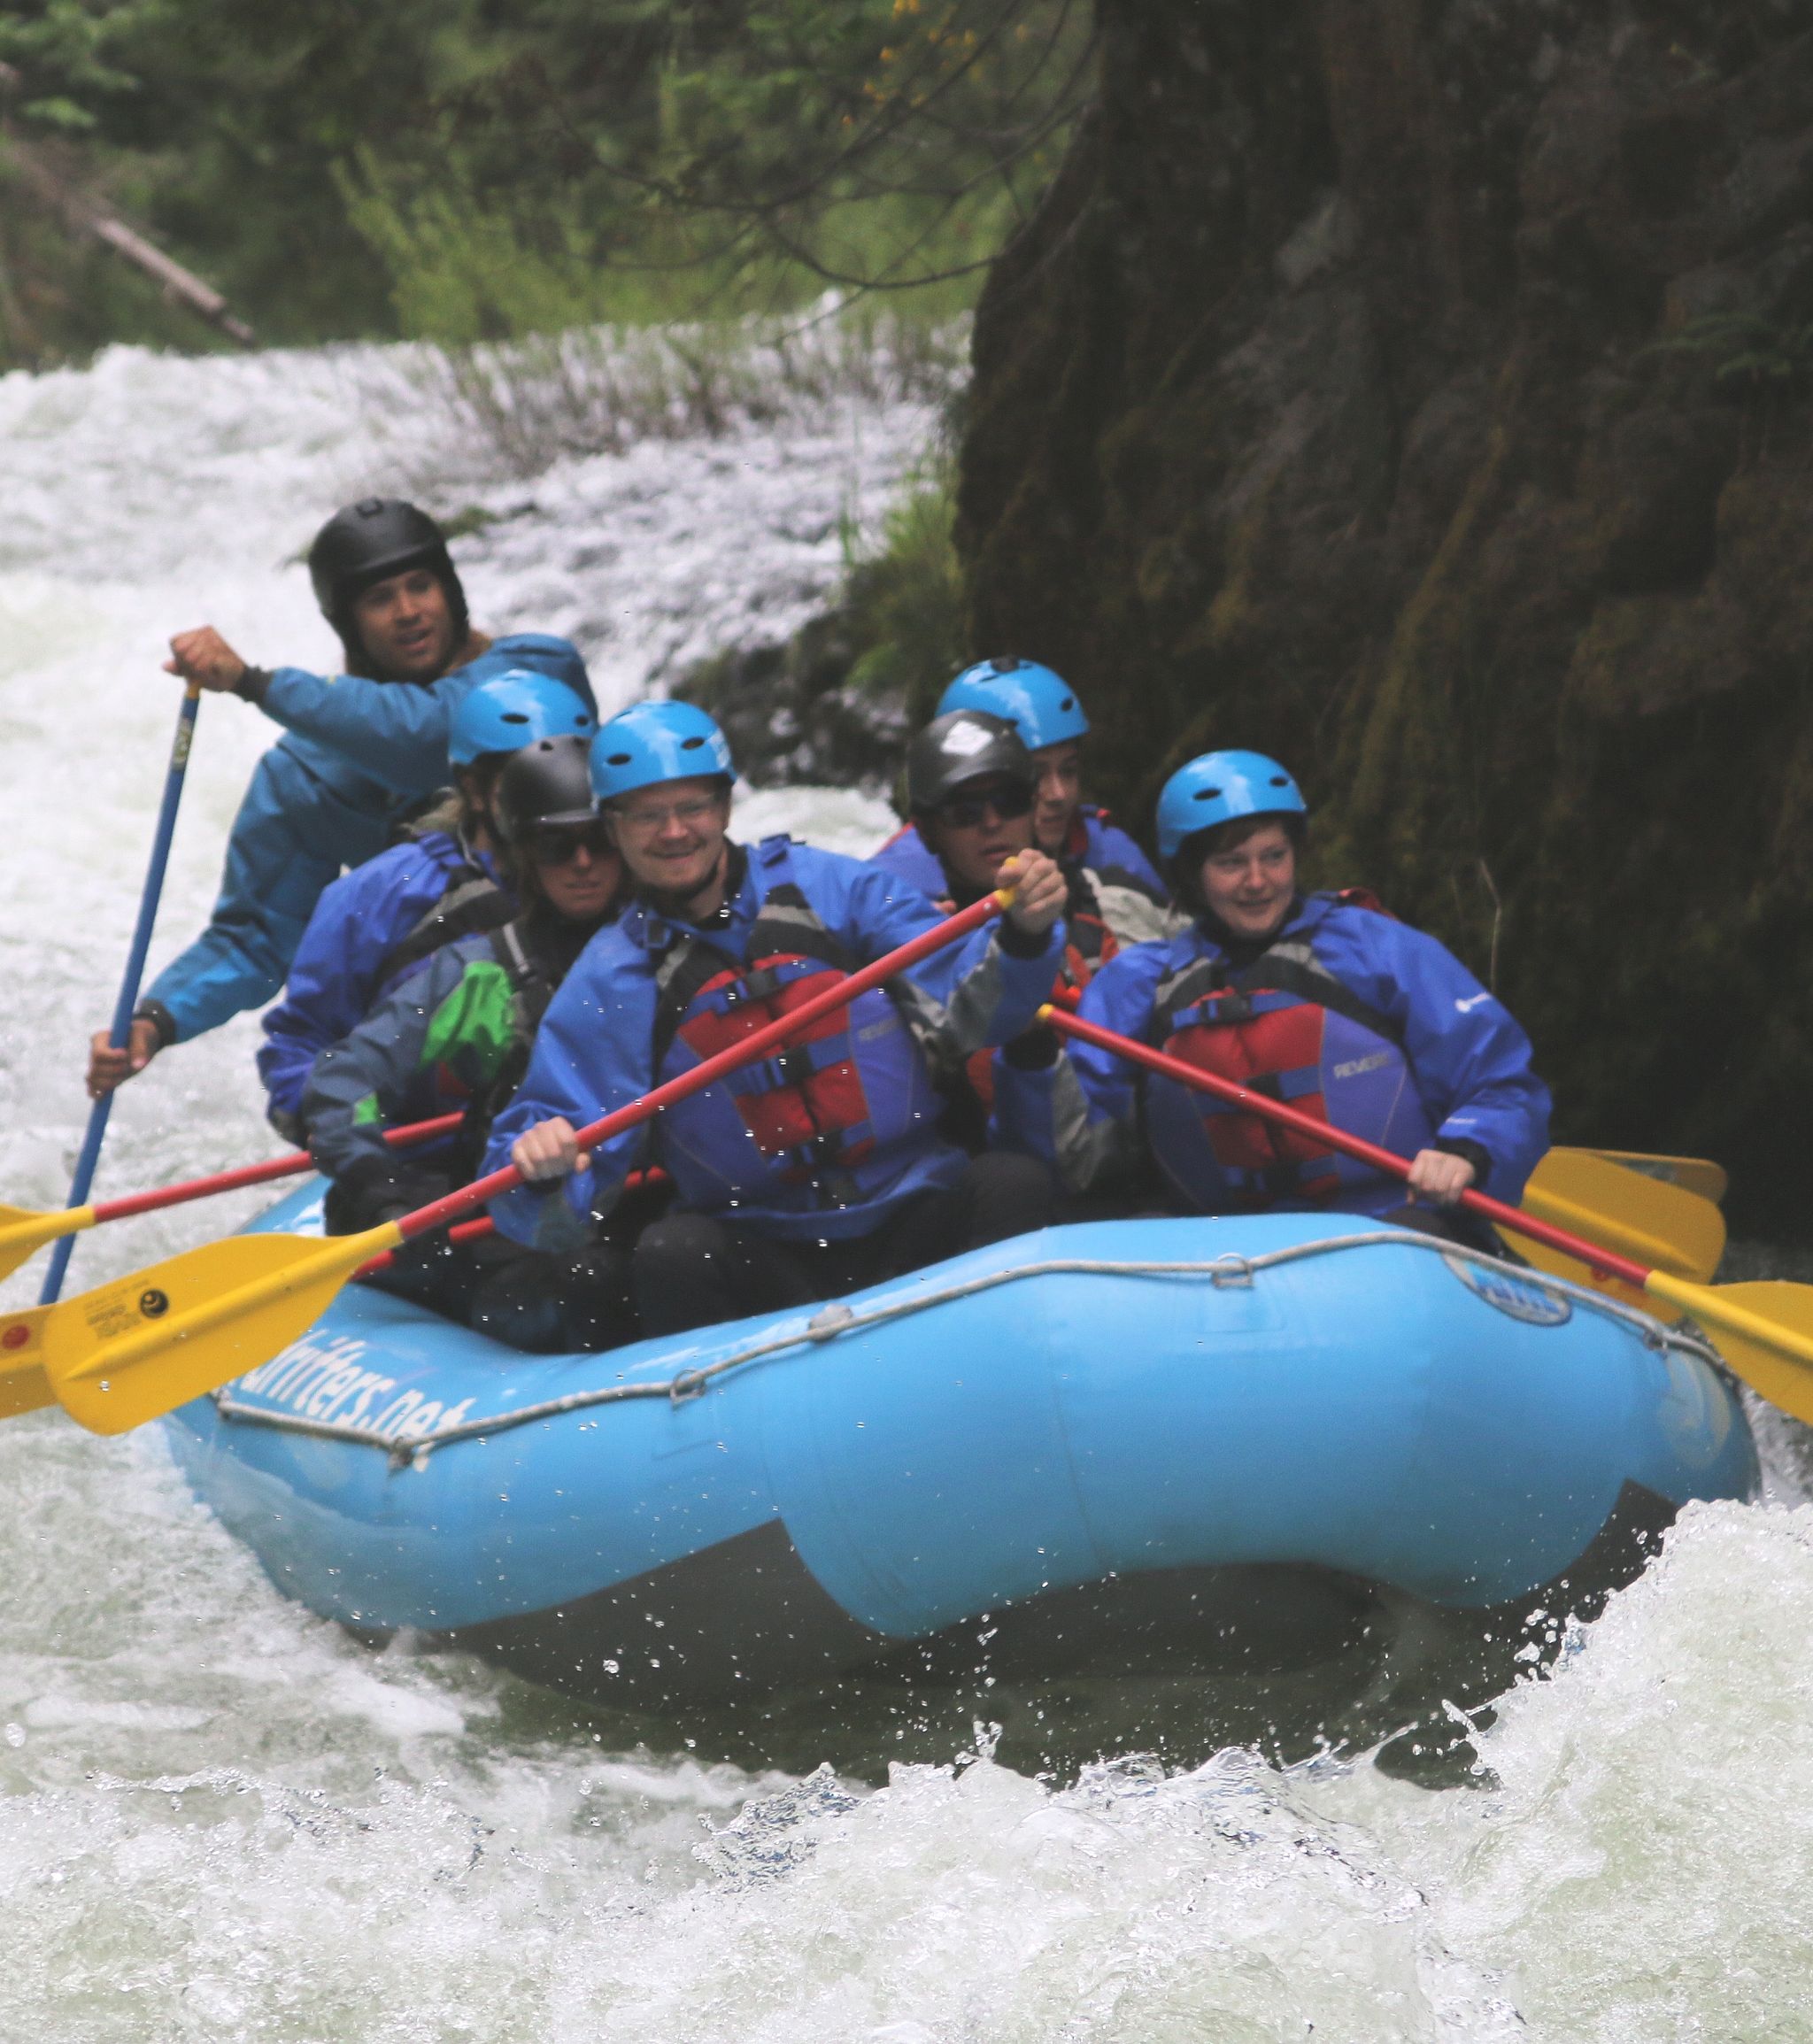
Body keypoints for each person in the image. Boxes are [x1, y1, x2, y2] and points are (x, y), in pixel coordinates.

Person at [486, 700, 1069, 1337]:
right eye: (649, 815)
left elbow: (976, 1007)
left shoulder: (833, 890)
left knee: (1012, 1183)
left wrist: (1026, 936)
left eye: (693, 808)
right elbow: (549, 1187)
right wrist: (540, 1170)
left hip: (913, 1207)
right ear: (614, 827)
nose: (675, 831)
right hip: (766, 1250)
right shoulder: (610, 979)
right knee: (670, 1254)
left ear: (727, 808)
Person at [87, 497, 596, 1097]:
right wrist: (156, 1019)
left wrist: (254, 683)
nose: (408, 612)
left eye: (421, 586)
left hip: (585, 981)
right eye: (380, 599)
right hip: (443, 1028)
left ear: (452, 593)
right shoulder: (305, 775)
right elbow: (253, 938)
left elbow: (422, 737)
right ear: (348, 624)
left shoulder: (533, 677)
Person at [993, 750, 1551, 1244]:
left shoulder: (1376, 948)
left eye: (1274, 856)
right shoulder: (1140, 985)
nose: (1258, 880)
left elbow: (1501, 1082)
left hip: (1391, 1232)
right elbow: (1073, 1153)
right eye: (1232, 863)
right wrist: (1030, 1057)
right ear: (1191, 875)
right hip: (1225, 1253)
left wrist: (1467, 1152)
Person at [301, 733, 636, 1351]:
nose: (583, 862)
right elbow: (344, 1080)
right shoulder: (478, 971)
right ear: (524, 854)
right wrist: (381, 1187)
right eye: (559, 846)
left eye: (600, 841)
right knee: (567, 1289)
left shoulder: (664, 954)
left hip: (632, 1209)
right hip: (513, 1231)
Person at [258, 668, 597, 1138]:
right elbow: (303, 1044)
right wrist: (346, 1139)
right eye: (523, 782)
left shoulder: (612, 871)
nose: (548, 799)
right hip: (425, 1153)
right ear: (475, 789)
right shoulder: (378, 893)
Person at [871, 657, 1168, 903]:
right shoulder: (899, 874)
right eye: (1037, 776)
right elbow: (875, 908)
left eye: (1068, 770)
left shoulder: (1105, 846)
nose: (1058, 794)